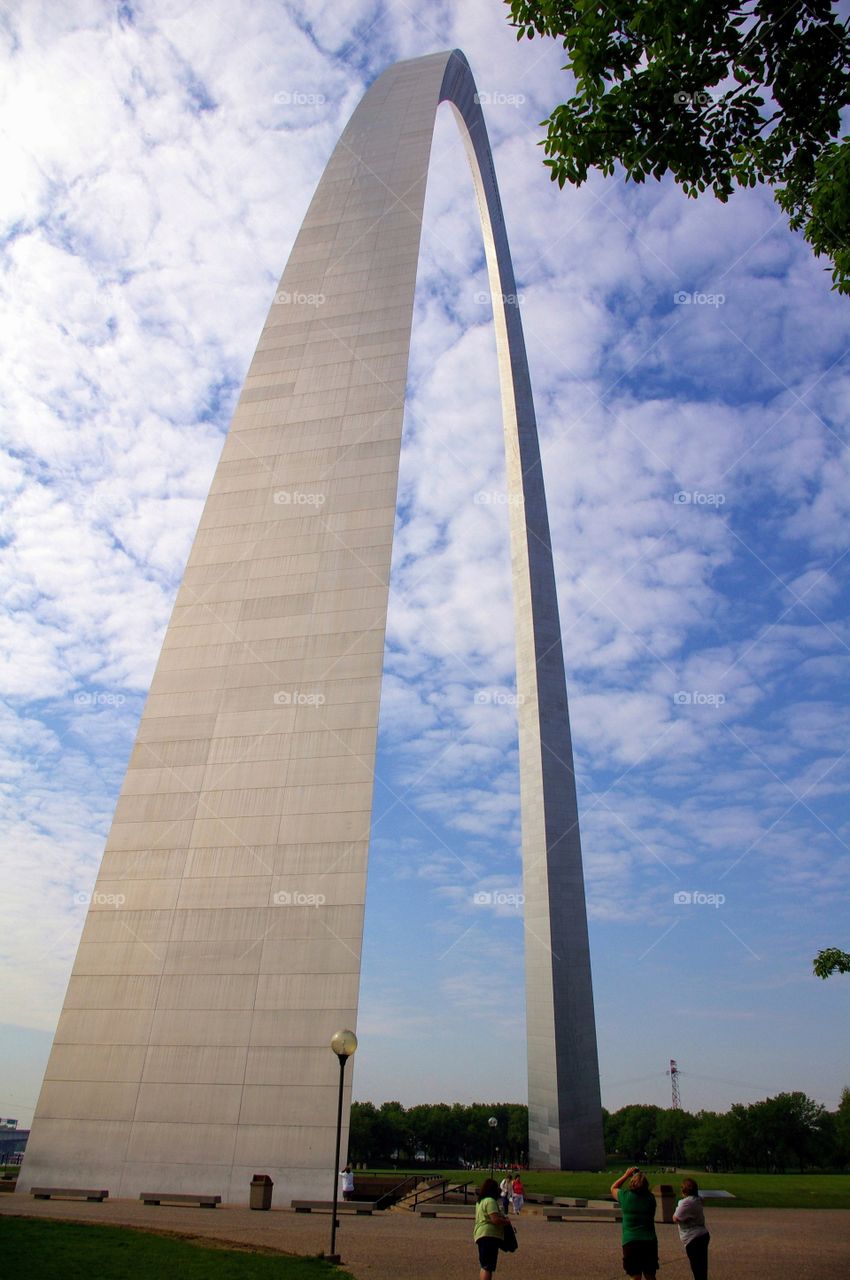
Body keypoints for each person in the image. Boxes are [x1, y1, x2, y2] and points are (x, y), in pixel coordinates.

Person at [610, 1166, 658, 1280]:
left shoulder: (625, 1196)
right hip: (649, 1241)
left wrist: (626, 1175)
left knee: (635, 1276)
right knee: (650, 1275)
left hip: (631, 1241)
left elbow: (613, 1187)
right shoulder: (651, 1199)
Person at [673, 1177, 710, 1280]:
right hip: (702, 1235)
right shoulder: (697, 1199)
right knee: (702, 1270)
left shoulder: (686, 1202)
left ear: (683, 1190)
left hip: (693, 1239)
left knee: (697, 1269)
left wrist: (679, 1206)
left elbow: (675, 1218)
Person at [474, 1177, 508, 1280]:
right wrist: (506, 1222)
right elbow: (495, 1219)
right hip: (489, 1235)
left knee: (484, 1265)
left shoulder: (480, 1202)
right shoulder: (490, 1201)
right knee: (488, 1266)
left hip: (480, 1234)